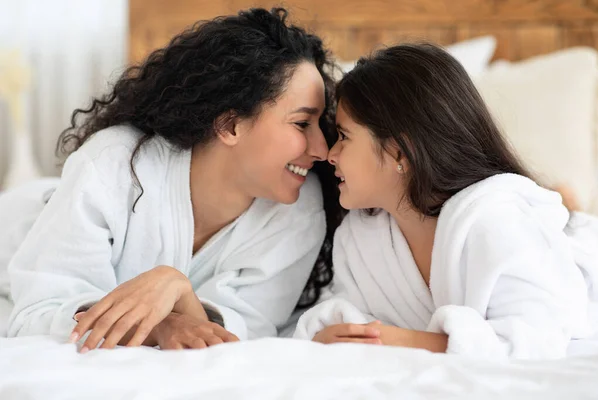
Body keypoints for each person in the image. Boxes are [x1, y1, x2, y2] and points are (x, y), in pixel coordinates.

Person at [5, 7, 344, 352]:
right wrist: (163, 324)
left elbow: (244, 330)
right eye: (302, 124)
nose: (322, 148)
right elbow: (37, 312)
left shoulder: (301, 207)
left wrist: (176, 289)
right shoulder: (115, 164)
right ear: (230, 126)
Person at [294, 43, 598, 359]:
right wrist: (333, 333)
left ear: (399, 150)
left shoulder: (494, 221)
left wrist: (399, 341)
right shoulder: (362, 238)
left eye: (344, 137)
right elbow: (353, 316)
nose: (330, 154)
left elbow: (535, 338)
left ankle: (566, 206)